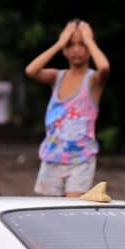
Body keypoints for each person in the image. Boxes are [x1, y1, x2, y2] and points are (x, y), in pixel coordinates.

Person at [25, 20, 111, 197]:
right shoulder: (56, 77)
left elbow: (104, 67)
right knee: (49, 213)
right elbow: (31, 71)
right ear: (64, 49)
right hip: (52, 158)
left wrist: (89, 40)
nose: (77, 49)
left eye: (82, 44)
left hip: (81, 160)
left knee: (72, 212)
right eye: (71, 44)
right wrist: (58, 43)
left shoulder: (93, 80)